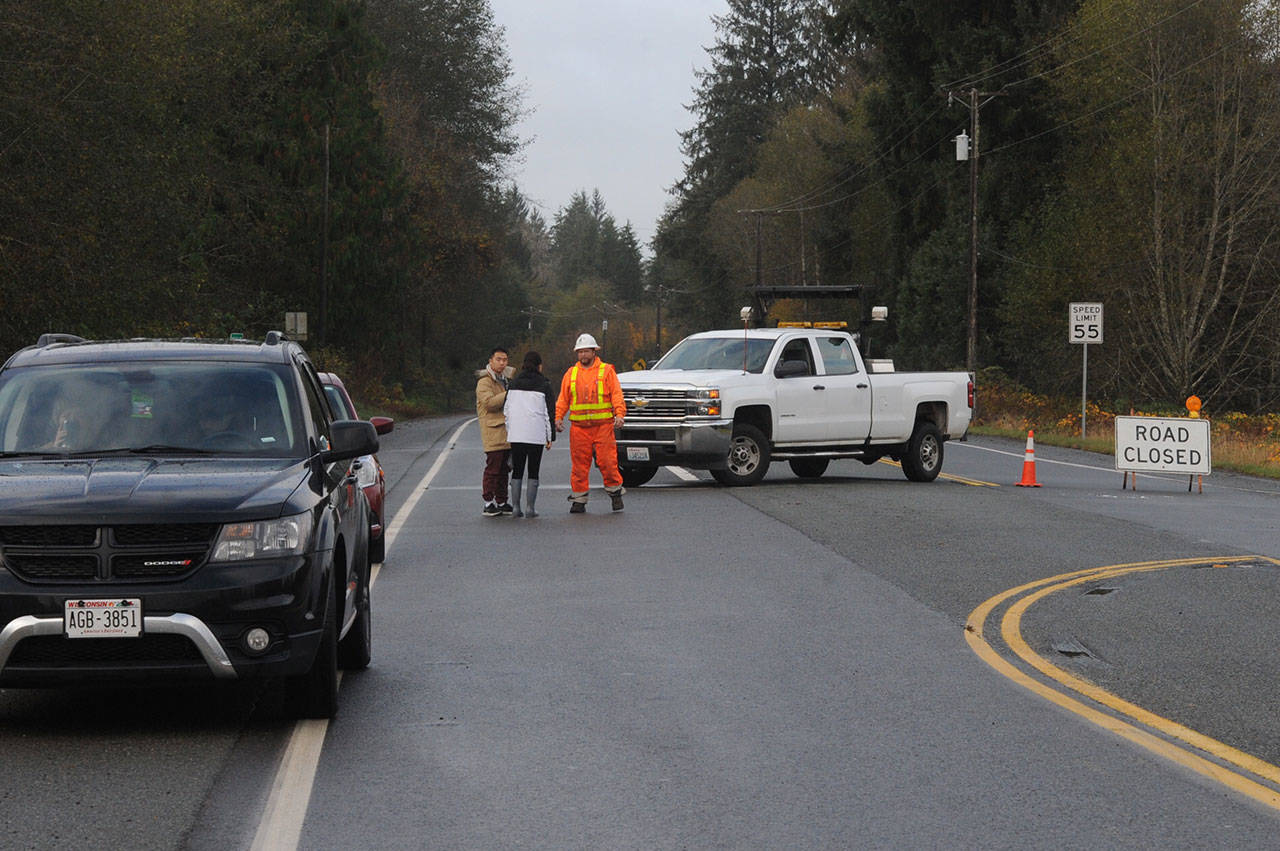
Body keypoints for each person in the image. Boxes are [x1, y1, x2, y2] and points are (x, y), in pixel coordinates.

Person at [555, 333, 626, 513]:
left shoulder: (607, 371)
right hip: (579, 429)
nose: (583, 355)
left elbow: (616, 394)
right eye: (580, 352)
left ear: (594, 351)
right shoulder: (571, 374)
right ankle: (579, 500)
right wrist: (558, 417)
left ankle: (615, 494)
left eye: (586, 351)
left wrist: (619, 413)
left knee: (608, 463)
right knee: (579, 466)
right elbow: (563, 399)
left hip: (603, 426)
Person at [503, 351, 556, 517]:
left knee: (517, 470)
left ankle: (516, 508)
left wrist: (510, 430)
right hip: (536, 434)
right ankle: (530, 509)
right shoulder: (544, 384)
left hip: (517, 434)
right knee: (533, 470)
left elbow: (506, 411)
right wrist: (550, 436)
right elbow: (549, 413)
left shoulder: (513, 384)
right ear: (539, 366)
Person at [475, 346, 513, 516]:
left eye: (505, 360)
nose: (502, 363)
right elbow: (489, 403)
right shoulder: (484, 382)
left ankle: (502, 500)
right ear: (491, 361)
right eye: (498, 359)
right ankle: (488, 501)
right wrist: (508, 394)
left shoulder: (505, 379)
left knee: (505, 468)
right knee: (493, 468)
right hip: (493, 431)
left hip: (507, 431)